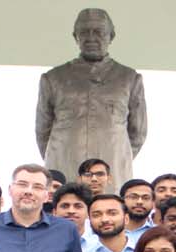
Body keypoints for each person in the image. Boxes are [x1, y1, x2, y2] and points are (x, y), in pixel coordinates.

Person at [36, 8, 147, 192]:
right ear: (75, 36)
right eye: (84, 32)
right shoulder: (53, 78)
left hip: (113, 166)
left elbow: (138, 133)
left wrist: (117, 156)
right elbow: (43, 130)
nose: (91, 38)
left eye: (98, 32)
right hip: (65, 162)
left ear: (111, 36)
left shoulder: (129, 78)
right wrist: (59, 155)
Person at [53, 182, 96, 251]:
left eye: (78, 206)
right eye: (65, 206)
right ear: (54, 212)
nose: (71, 211)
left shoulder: (99, 242)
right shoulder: (44, 241)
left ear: (88, 212)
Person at [119, 178, 156, 245]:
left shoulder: (158, 233)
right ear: (121, 201)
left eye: (146, 198)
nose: (139, 202)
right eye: (133, 197)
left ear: (153, 203)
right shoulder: (109, 230)